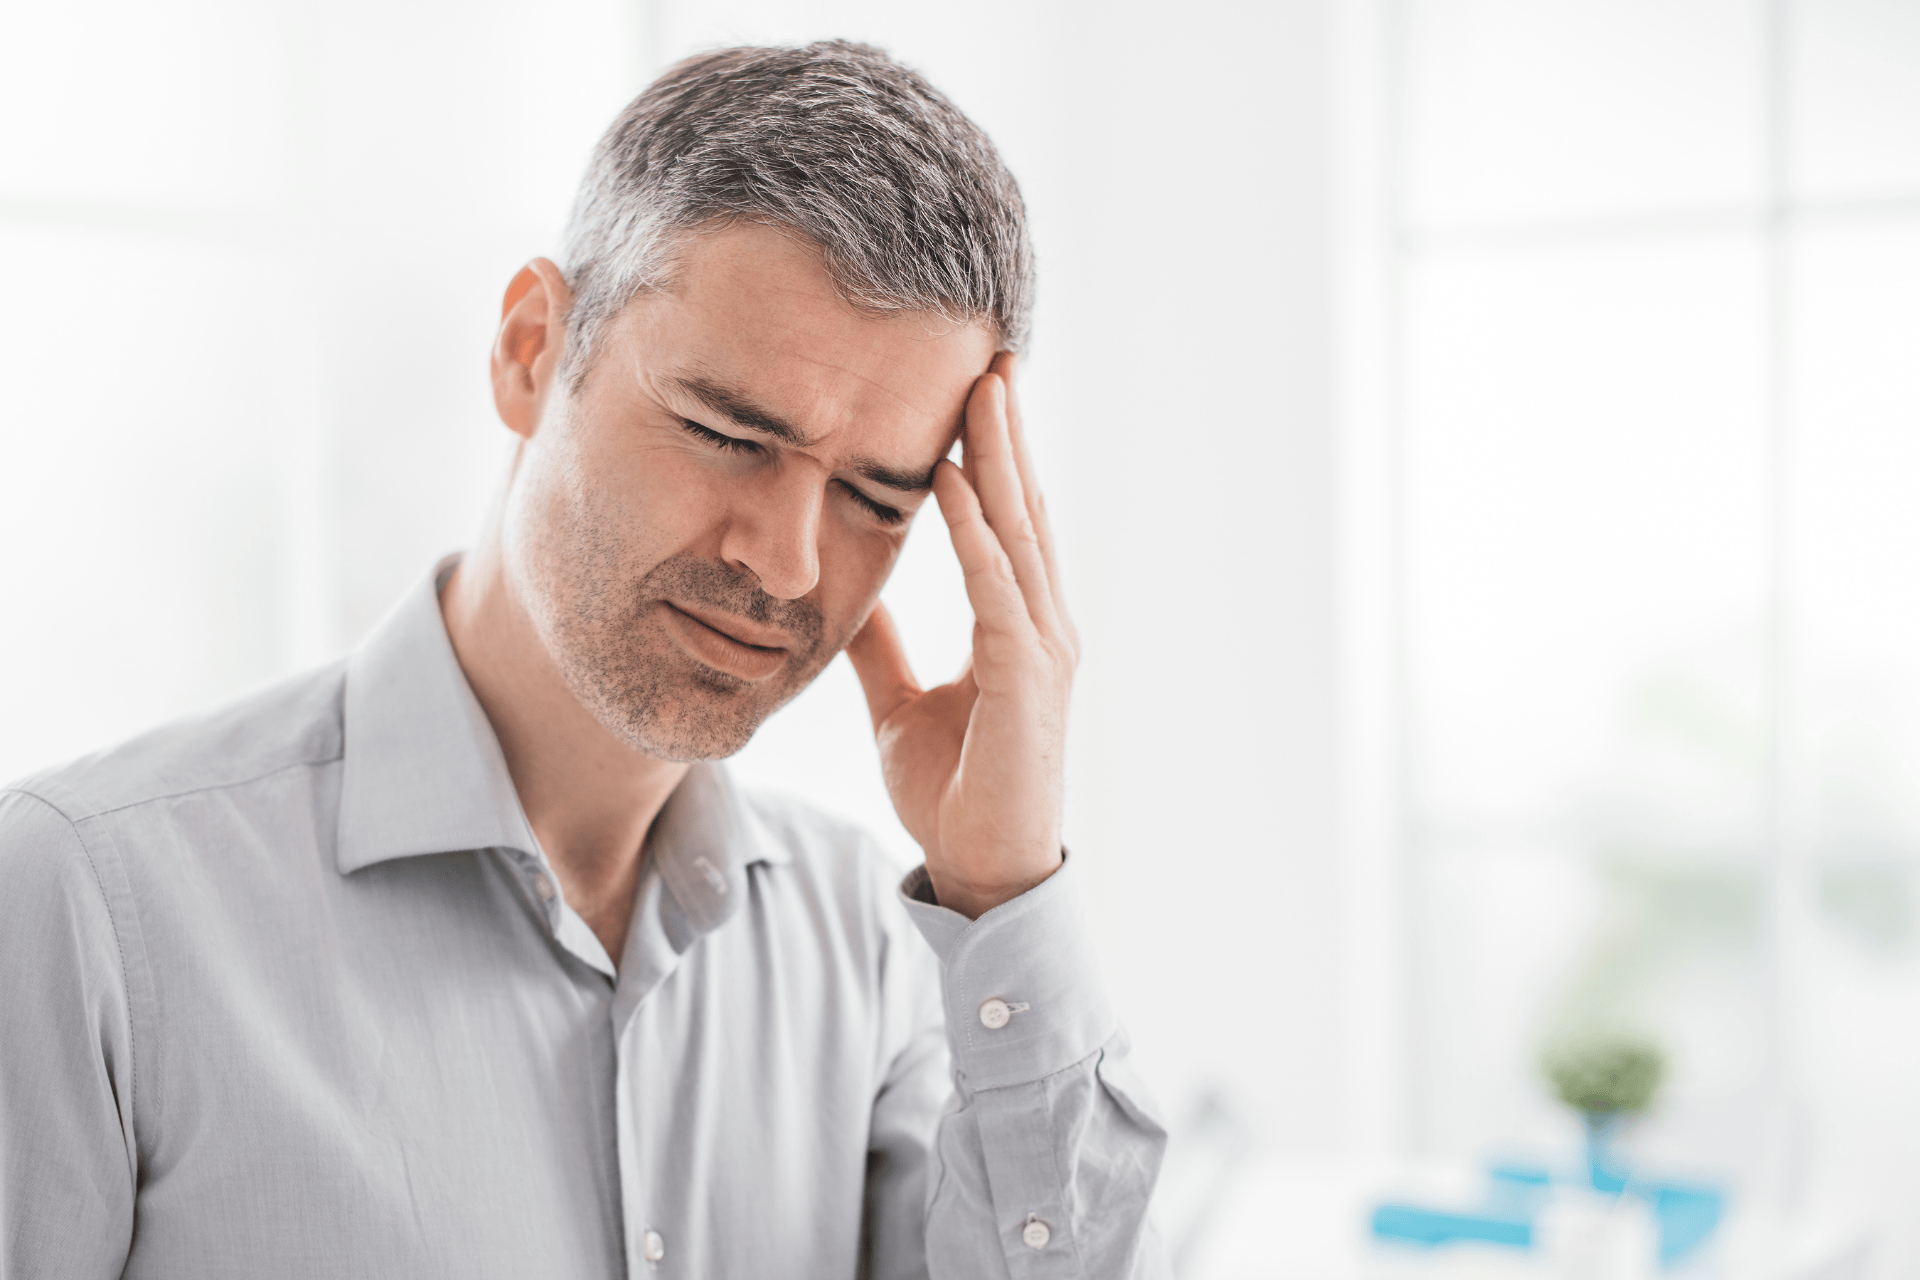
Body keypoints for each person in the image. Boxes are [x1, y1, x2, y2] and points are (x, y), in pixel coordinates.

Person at [0, 40, 1167, 1280]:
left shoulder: (878, 962)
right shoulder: (86, 908)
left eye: (877, 499)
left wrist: (1004, 891)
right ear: (529, 349)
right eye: (727, 432)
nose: (785, 562)